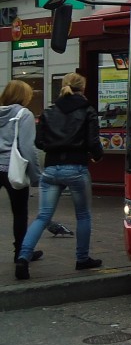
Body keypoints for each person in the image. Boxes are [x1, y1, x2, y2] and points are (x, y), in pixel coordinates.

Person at [15, 72, 105, 280]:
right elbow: (93, 142)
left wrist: (54, 148)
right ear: (82, 88)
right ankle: (82, 258)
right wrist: (97, 156)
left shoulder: (49, 111)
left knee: (43, 216)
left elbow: (39, 142)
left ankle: (23, 258)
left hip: (52, 169)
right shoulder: (87, 110)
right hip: (76, 168)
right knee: (83, 215)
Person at [0, 80, 43, 264]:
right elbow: (27, 148)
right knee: (19, 213)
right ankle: (21, 253)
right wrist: (36, 177)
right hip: (12, 169)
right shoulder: (24, 114)